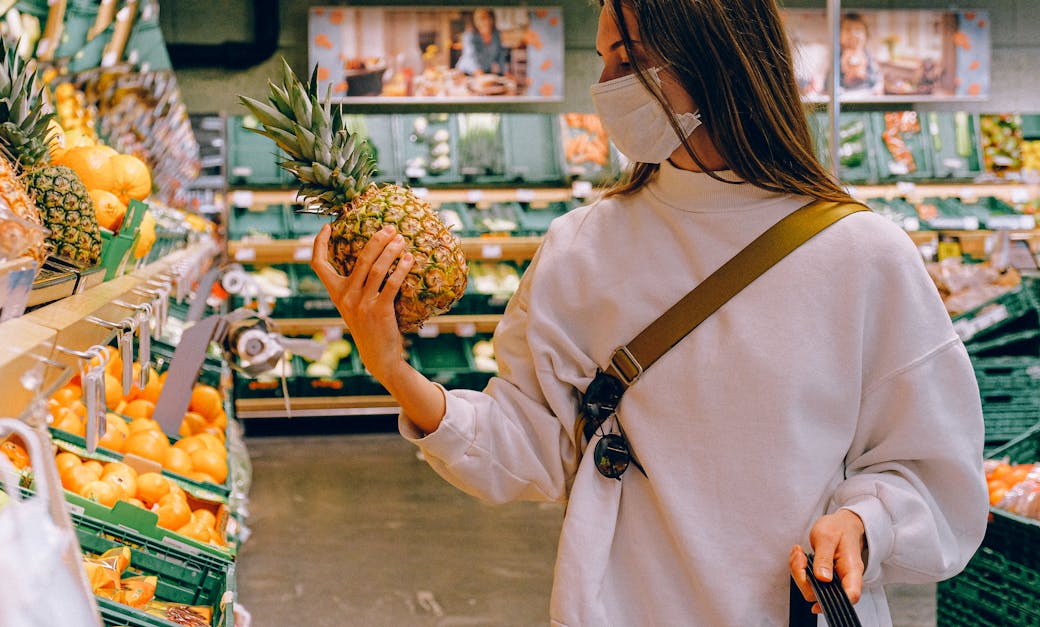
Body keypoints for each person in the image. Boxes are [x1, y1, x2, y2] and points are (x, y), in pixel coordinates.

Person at [309, 0, 988, 624]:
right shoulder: (584, 248)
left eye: (627, 61)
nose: (604, 86)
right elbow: (531, 445)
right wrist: (393, 369)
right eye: (602, 60)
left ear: (717, 62)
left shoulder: (862, 256)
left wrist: (866, 521)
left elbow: (935, 473)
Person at [454, 8, 509, 76]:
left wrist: (506, 72)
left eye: (487, 17)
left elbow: (500, 56)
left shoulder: (496, 35)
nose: (485, 21)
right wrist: (478, 73)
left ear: (492, 19)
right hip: (466, 72)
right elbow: (470, 56)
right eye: (480, 18)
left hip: (484, 72)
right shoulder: (469, 35)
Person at [840, 13, 879, 91]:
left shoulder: (867, 55)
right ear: (838, 35)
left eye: (858, 30)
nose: (853, 34)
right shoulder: (837, 56)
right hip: (843, 96)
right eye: (848, 29)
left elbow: (875, 79)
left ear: (866, 35)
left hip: (865, 94)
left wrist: (864, 76)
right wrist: (844, 79)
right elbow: (828, 82)